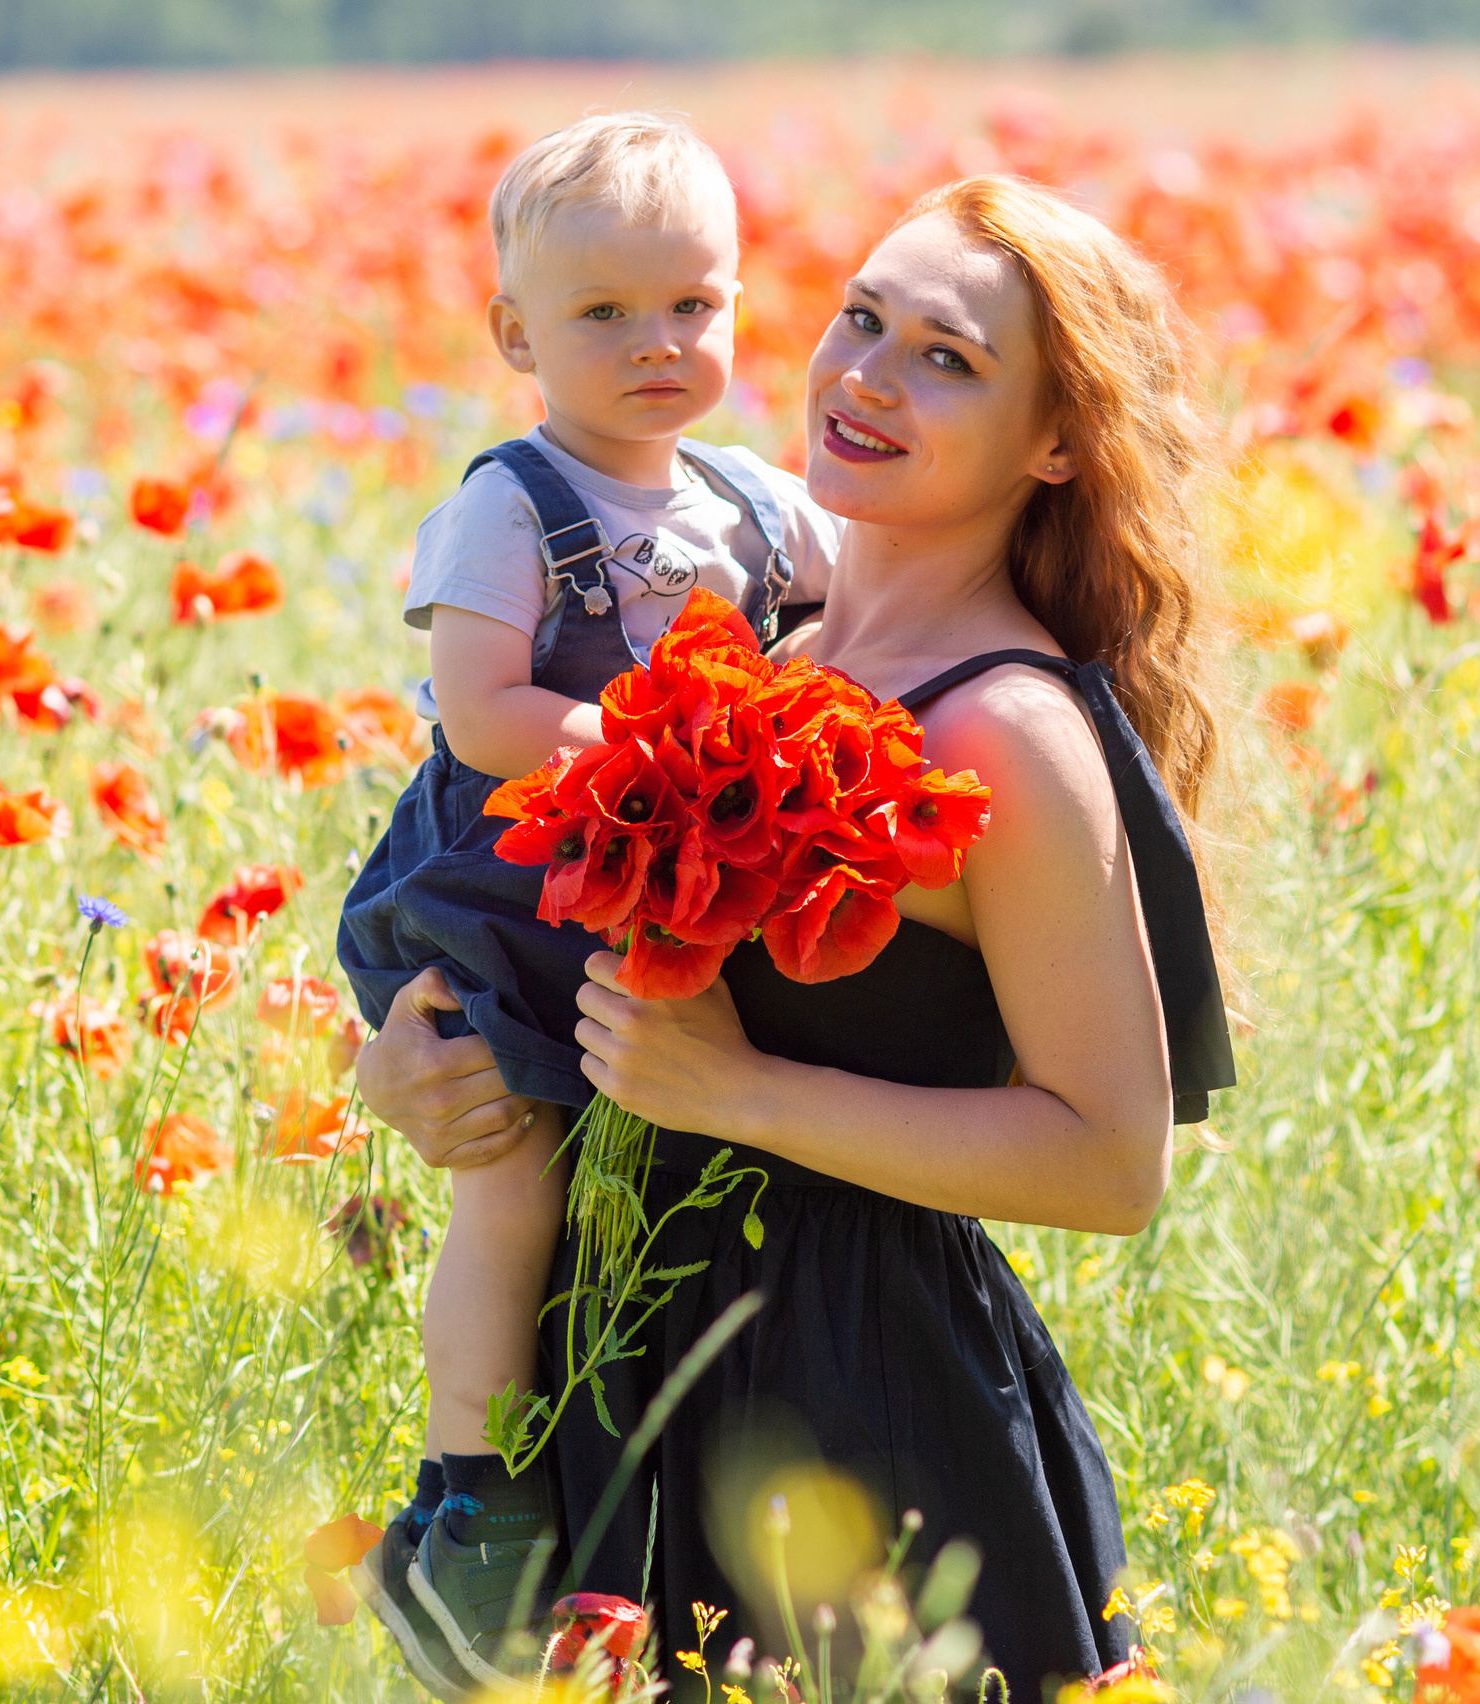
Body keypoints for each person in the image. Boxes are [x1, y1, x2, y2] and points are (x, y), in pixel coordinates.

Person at [352, 173, 1237, 1700]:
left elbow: (1111, 1162)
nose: (866, 378)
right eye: (859, 319)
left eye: (947, 358)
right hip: (624, 1375)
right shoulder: (761, 641)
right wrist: (422, 1068)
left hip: (860, 1410)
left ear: (1058, 440)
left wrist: (744, 1096)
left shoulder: (1005, 733)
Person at [334, 112, 841, 1697]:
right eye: (606, 315)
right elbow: (481, 705)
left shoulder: (756, 503)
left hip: (670, 885)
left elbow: (849, 630)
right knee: (517, 1165)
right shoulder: (513, 503)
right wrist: (663, 746)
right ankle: (473, 1487)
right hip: (513, 889)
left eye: (694, 305)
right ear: (515, 337)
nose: (659, 345)